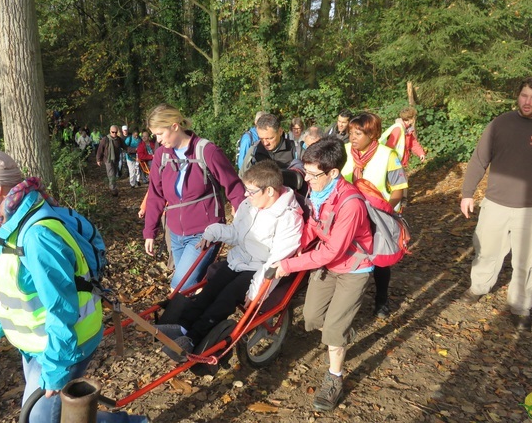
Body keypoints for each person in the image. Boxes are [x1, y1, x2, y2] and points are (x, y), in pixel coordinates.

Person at [0, 148, 148, 423]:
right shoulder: (6, 228)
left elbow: (61, 307)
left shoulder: (36, 236)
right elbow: (6, 286)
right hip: (37, 343)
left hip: (66, 343)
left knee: (40, 419)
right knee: (56, 415)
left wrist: (57, 367)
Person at [155, 160, 303, 362]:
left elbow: (277, 260)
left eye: (251, 191)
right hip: (239, 259)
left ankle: (193, 338)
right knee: (210, 289)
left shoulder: (289, 218)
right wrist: (214, 231)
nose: (246, 195)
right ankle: (182, 326)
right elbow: (236, 234)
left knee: (226, 298)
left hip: (260, 268)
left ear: (269, 191)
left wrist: (256, 290)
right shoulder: (249, 205)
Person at [272, 137, 374, 411]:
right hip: (327, 266)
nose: (308, 179)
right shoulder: (319, 193)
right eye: (306, 172)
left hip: (353, 268)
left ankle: (334, 379)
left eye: (314, 175)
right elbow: (313, 227)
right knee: (312, 318)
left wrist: (290, 265)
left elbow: (332, 251)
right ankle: (339, 330)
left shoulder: (351, 203)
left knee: (332, 331)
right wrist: (292, 249)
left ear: (334, 173)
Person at [460, 77, 532, 332]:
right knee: (486, 251)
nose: (527, 102)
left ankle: (520, 307)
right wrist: (467, 193)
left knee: (527, 262)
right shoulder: (500, 124)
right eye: (524, 95)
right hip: (495, 204)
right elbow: (478, 159)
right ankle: (478, 287)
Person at [143, 104, 246, 291]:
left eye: (160, 133)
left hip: (204, 232)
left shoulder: (207, 151)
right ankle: (201, 317)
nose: (157, 140)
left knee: (180, 286)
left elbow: (234, 186)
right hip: (175, 233)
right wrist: (150, 231)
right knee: (192, 287)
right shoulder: (161, 156)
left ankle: (179, 320)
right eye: (154, 135)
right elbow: (155, 196)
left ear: (175, 126)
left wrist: (243, 218)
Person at [340, 112, 408, 318]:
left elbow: (398, 189)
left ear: (372, 134)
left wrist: (386, 208)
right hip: (349, 215)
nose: (353, 137)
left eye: (358, 133)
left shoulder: (388, 155)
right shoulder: (343, 152)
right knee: (347, 256)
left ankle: (381, 300)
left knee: (379, 260)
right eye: (351, 132)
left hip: (378, 215)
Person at [96, 125, 128, 197]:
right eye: (113, 132)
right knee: (111, 174)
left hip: (116, 159)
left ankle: (113, 186)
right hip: (108, 159)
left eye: (116, 132)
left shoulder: (119, 140)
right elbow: (100, 149)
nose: (114, 134)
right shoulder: (105, 139)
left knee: (115, 173)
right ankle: (113, 189)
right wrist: (98, 159)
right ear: (110, 131)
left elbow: (126, 147)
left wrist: (134, 150)